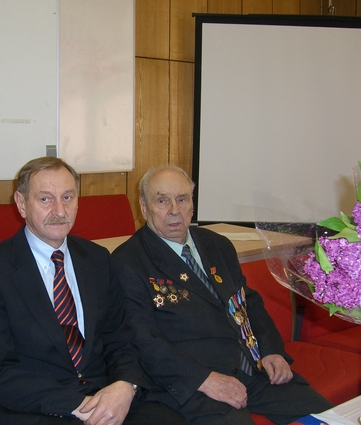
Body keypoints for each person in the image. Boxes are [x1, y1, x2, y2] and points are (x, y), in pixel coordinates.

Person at [0, 156, 189, 425]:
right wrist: (77, 405)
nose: (59, 210)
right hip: (35, 410)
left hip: (105, 397)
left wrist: (125, 385)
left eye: (68, 197)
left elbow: (122, 338)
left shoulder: (97, 259)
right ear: (21, 204)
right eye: (45, 199)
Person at [111, 164, 333, 425]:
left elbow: (247, 301)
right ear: (143, 206)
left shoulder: (216, 244)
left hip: (253, 370)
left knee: (327, 417)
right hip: (194, 384)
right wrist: (204, 380)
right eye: (162, 201)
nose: (174, 210)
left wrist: (272, 350)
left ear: (192, 204)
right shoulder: (128, 262)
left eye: (182, 199)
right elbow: (143, 340)